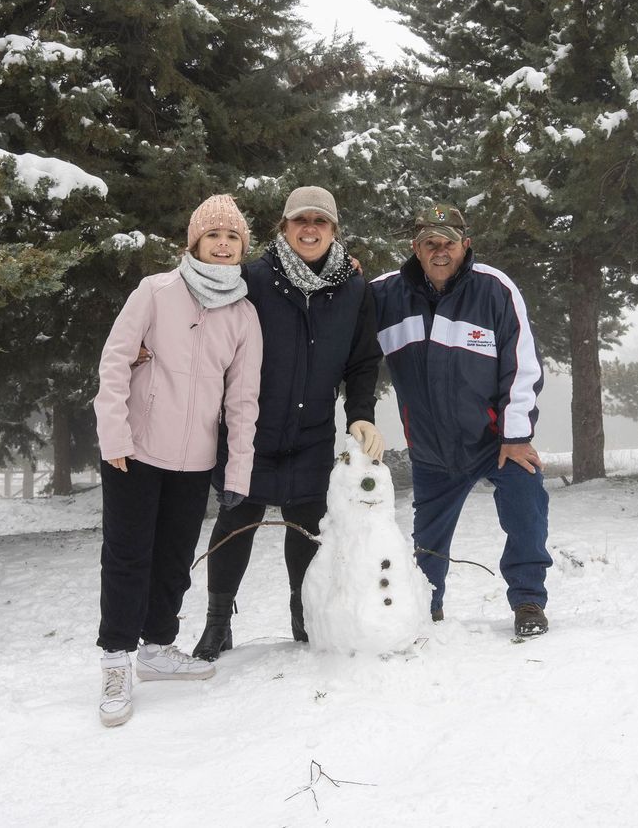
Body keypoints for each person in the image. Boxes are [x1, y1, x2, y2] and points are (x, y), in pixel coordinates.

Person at [189, 186, 385, 660]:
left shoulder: (353, 287)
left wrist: (360, 414)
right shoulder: (251, 279)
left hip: (312, 432)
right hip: (249, 432)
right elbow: (199, 314)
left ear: (334, 230)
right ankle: (218, 623)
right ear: (284, 228)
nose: (310, 229)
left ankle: (304, 615)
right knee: (236, 523)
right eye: (301, 221)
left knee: (305, 528)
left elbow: (362, 361)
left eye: (320, 221)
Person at [91, 194, 262, 727]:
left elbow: (242, 399)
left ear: (242, 248)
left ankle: (157, 648)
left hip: (194, 460)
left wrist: (237, 471)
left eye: (233, 237)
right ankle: (116, 660)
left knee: (173, 558)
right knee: (127, 556)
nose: (223, 243)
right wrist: (113, 437)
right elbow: (116, 361)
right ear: (194, 242)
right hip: (135, 453)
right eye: (213, 234)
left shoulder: (244, 313)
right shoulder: (156, 291)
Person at [369, 203, 551, 638]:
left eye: (448, 243)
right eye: (429, 243)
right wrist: (342, 270)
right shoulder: (384, 295)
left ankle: (528, 601)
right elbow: (340, 309)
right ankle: (426, 609)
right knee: (428, 543)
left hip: (496, 443)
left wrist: (516, 434)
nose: (439, 251)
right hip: (432, 449)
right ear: (415, 248)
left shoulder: (494, 290)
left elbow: (522, 364)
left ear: (465, 244)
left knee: (527, 509)